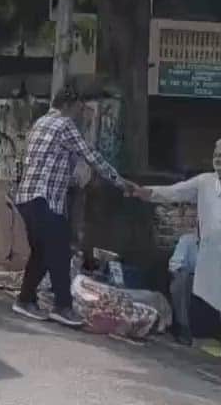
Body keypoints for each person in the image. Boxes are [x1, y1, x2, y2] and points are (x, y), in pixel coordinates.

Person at [12, 86, 135, 326]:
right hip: (43, 197)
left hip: (29, 197)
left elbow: (52, 163)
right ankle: (63, 306)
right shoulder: (64, 125)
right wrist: (121, 182)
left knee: (42, 252)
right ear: (70, 104)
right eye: (81, 107)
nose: (82, 112)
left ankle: (25, 299)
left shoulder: (40, 123)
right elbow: (91, 155)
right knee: (59, 251)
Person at [131, 137, 221, 346]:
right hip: (209, 264)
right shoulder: (204, 183)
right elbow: (174, 192)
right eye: (216, 155)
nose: (219, 160)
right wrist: (144, 192)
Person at [168, 231, 200, 345]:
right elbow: (175, 265)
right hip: (191, 278)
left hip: (211, 280)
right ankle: (184, 328)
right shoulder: (188, 240)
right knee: (181, 280)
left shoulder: (218, 245)